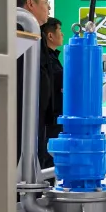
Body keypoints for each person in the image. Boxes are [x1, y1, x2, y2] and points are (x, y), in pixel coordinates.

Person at [0, 0, 50, 164]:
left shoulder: (36, 34)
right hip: (11, 118)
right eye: (45, 1)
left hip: (32, 118)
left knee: (31, 171)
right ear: (30, 3)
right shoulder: (7, 31)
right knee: (13, 172)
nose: (49, 7)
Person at [37, 17, 64, 170]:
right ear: (50, 35)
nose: (62, 34)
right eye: (59, 30)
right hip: (49, 118)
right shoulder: (44, 60)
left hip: (56, 116)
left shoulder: (52, 58)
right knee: (47, 161)